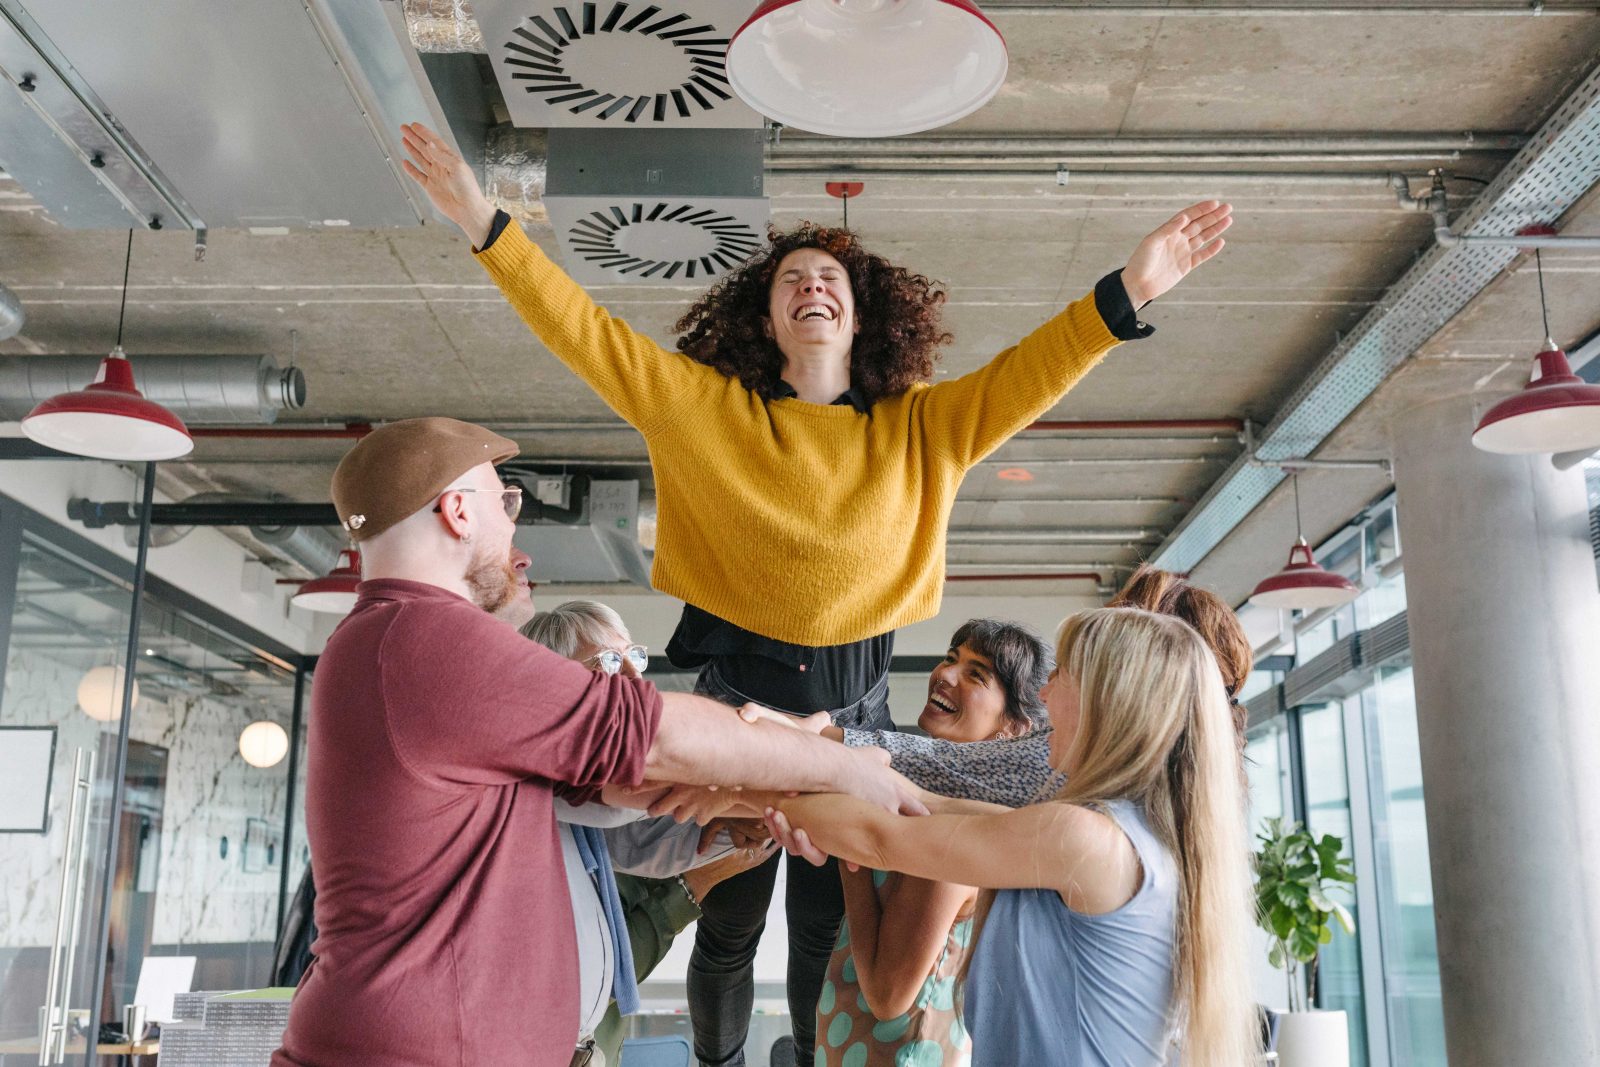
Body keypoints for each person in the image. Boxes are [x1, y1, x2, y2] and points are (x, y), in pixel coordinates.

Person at [400, 119, 1232, 1064]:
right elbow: (589, 336)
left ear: (863, 316)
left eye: (830, 277)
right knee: (727, 916)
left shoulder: (923, 428)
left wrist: (1131, 290)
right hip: (733, 697)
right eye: (791, 277)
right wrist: (483, 221)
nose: (811, 284)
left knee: (822, 922)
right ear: (765, 319)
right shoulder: (707, 412)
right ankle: (718, 1061)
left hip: (851, 708)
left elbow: (1027, 376)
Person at [270, 418, 921, 1067]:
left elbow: (618, 798)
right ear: (457, 510)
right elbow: (654, 735)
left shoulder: (395, 642)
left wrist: (761, 790)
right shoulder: (429, 644)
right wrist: (835, 763)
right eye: (507, 503)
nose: (515, 532)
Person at [766, 608, 1259, 1067]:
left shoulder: (1085, 839)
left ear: (1109, 701)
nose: (1045, 697)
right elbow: (923, 803)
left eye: (1062, 675)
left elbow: (883, 836)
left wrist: (738, 786)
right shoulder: (1110, 833)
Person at [523, 600, 776, 1067]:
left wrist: (744, 815)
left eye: (634, 659)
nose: (636, 684)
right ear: (553, 689)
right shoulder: (540, 791)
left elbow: (660, 842)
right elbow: (644, 798)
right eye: (608, 666)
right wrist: (747, 796)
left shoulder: (593, 823)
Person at [816, 619, 1051, 1067]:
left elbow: (887, 996)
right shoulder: (940, 806)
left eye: (976, 674)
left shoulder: (959, 831)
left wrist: (852, 859)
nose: (945, 675)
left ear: (1014, 730)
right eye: (950, 658)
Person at [828, 565, 1254, 808]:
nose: (1050, 696)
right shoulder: (1176, 800)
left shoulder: (1081, 780)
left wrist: (808, 741)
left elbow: (937, 765)